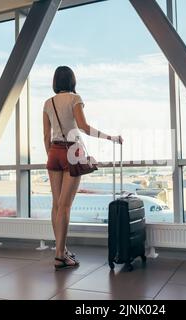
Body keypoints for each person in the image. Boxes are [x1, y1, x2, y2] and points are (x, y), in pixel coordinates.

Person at [43, 66, 123, 270]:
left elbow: (46, 135)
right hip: (72, 152)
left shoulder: (48, 103)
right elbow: (84, 127)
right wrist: (110, 138)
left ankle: (62, 250)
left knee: (56, 204)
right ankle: (60, 256)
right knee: (65, 206)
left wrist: (51, 155)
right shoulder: (74, 99)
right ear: (72, 80)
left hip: (53, 151)